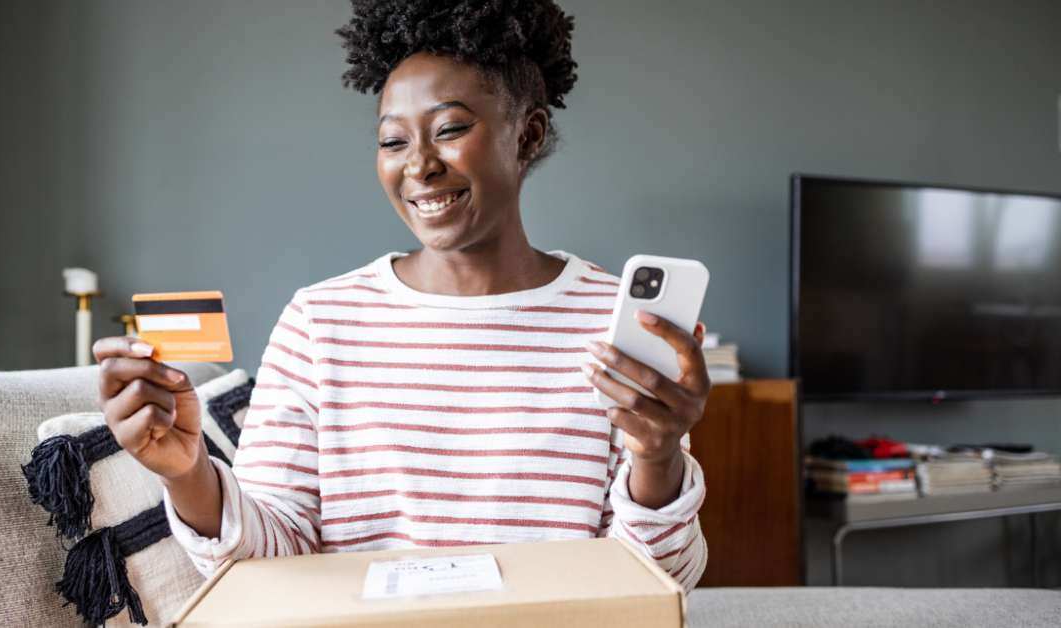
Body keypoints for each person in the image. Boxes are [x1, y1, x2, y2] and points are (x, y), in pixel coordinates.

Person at [94, 0, 710, 591]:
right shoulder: (320, 322)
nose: (418, 166)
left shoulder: (613, 322)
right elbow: (271, 558)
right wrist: (188, 475)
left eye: (449, 130)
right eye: (393, 142)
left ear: (527, 135)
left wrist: (657, 458)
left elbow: (657, 583)